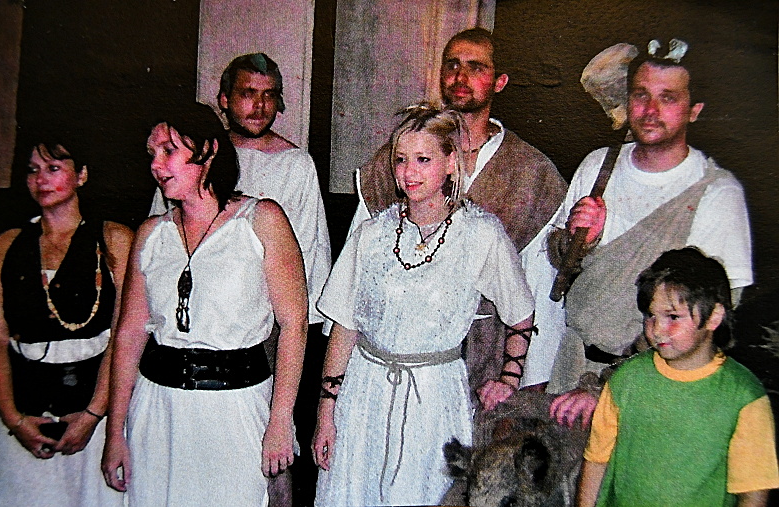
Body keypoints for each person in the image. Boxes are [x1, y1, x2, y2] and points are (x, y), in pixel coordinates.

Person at [312, 104, 536, 506]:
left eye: (423, 159)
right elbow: (345, 325)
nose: (408, 172)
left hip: (433, 400)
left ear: (450, 162)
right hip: (363, 395)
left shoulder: (480, 234)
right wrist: (326, 413)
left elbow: (520, 312)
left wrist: (509, 378)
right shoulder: (372, 234)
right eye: (401, 160)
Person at [101, 102, 307, 506]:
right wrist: (115, 432)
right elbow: (128, 335)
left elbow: (294, 324)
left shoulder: (261, 220)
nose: (156, 165)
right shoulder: (150, 234)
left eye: (169, 150)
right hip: (156, 408)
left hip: (236, 408)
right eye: (152, 154)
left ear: (209, 150)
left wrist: (281, 421)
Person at [151, 55, 331, 503]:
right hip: (193, 330)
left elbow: (309, 257)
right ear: (224, 99)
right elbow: (159, 246)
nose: (259, 106)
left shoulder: (295, 165)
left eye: (269, 96)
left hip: (266, 329)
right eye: (248, 94)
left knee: (265, 455)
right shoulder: (188, 156)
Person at [354, 28, 567, 405]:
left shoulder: (532, 173)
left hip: (489, 362)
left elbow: (537, 291)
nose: (460, 76)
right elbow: (358, 273)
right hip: (395, 355)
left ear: (500, 82)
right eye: (451, 65)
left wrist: (522, 381)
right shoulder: (400, 159)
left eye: (476, 67)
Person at [547, 39, 753, 427]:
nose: (650, 110)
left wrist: (607, 386)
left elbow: (710, 322)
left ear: (694, 110)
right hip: (570, 370)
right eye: (641, 95)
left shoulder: (716, 194)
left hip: (652, 385)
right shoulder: (598, 166)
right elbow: (562, 270)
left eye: (668, 98)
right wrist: (579, 243)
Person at [0, 136, 132, 506]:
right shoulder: (7, 245)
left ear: (82, 175)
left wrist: (93, 415)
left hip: (95, 419)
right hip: (25, 422)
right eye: (33, 170)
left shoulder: (113, 239)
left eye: (53, 168)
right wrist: (14, 421)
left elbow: (124, 338)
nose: (41, 179)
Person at [577, 247, 778, 506]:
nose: (657, 330)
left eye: (672, 317)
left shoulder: (744, 397)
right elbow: (596, 461)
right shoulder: (627, 380)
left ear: (713, 317)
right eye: (651, 315)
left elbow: (753, 490)